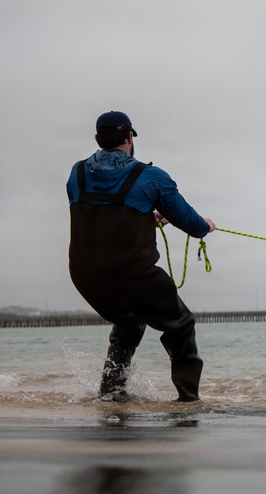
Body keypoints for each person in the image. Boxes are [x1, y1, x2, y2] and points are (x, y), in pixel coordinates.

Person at [67, 111, 216, 402]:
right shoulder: (151, 176)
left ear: (98, 140)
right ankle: (188, 400)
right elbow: (193, 225)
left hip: (85, 278)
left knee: (129, 321)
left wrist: (147, 218)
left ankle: (111, 394)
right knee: (181, 324)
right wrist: (207, 225)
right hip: (131, 274)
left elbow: (103, 212)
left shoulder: (77, 173)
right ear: (129, 138)